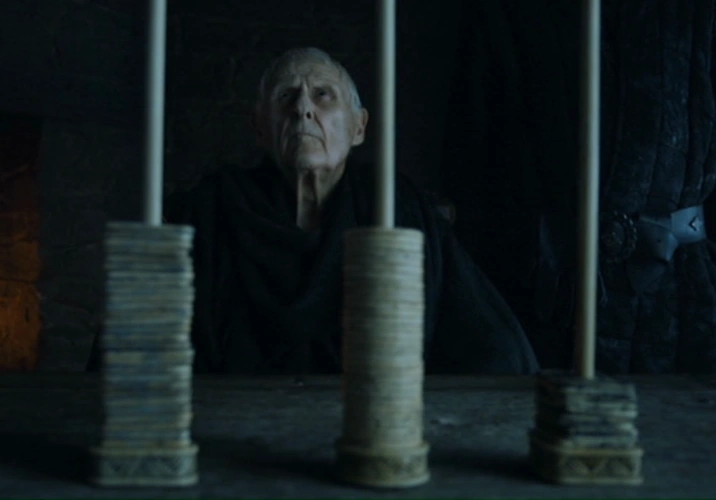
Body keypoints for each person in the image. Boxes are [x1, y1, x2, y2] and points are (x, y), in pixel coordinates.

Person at [162, 47, 538, 375]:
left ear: (359, 127)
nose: (302, 109)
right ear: (259, 128)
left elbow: (489, 341)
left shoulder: (397, 207)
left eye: (323, 95)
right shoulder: (214, 209)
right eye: (286, 96)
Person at [442, 0, 716, 373]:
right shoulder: (506, 13)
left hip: (680, 291)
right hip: (543, 289)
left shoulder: (692, 13)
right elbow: (471, 164)